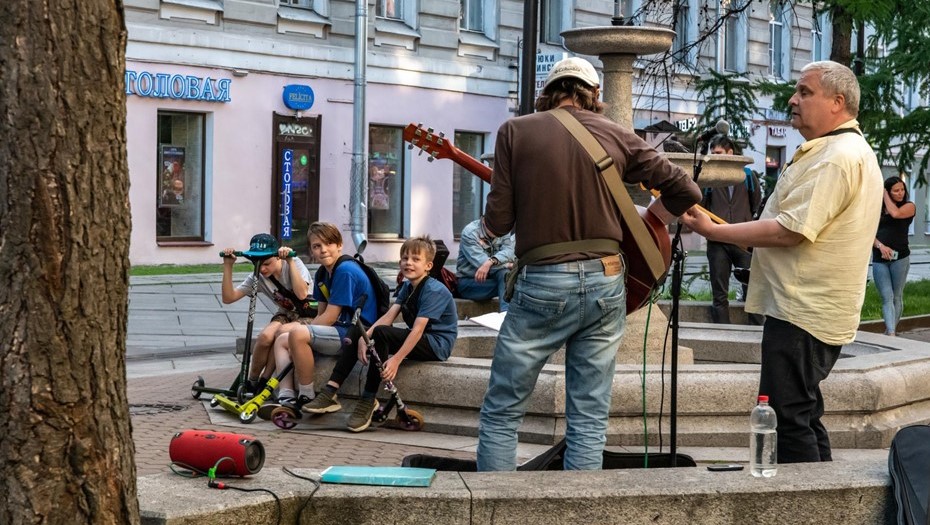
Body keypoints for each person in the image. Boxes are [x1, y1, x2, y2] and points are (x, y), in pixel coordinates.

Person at [476, 56, 702, 471]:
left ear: (549, 91)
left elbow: (499, 222)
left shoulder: (515, 131)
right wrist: (652, 218)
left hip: (543, 279)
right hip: (607, 279)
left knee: (504, 409)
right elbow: (686, 189)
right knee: (589, 416)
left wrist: (494, 227)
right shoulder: (618, 134)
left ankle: (498, 510)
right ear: (594, 95)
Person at [681, 60, 883, 464]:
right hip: (806, 309)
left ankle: (805, 506)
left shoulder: (836, 156)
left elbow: (789, 230)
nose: (792, 99)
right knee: (802, 413)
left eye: (805, 92)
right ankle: (828, 500)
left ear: (837, 102)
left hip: (802, 310)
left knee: (786, 417)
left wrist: (716, 232)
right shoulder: (837, 150)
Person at [303, 236, 458, 432]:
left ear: (428, 265)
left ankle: (368, 399)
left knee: (382, 334)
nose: (408, 263)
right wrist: (364, 336)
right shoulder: (408, 287)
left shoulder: (434, 290)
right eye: (404, 258)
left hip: (437, 345)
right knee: (358, 329)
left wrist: (396, 361)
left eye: (415, 259)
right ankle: (330, 391)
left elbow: (418, 330)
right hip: (419, 338)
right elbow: (389, 316)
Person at [276, 222, 377, 409]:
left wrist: (302, 331)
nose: (323, 250)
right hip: (338, 330)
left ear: (339, 245)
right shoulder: (323, 273)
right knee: (282, 338)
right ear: (311, 250)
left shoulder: (345, 270)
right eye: (316, 246)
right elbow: (320, 314)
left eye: (328, 243)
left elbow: (329, 317)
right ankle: (286, 394)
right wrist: (305, 331)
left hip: (355, 334)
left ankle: (306, 395)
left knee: (296, 334)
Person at [220, 233, 313, 398]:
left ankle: (265, 380)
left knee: (280, 332)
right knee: (264, 336)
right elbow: (228, 298)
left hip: (309, 313)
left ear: (277, 257)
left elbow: (301, 294)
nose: (262, 269)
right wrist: (228, 266)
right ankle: (252, 382)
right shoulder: (258, 275)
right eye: (257, 263)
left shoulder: (293, 263)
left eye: (267, 263)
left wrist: (290, 261)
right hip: (286, 313)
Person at [702, 135, 763, 325]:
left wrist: (743, 221)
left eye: (718, 153)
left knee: (752, 291)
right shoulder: (709, 179)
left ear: (730, 153)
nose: (714, 157)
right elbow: (703, 206)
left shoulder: (747, 176)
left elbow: (756, 204)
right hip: (717, 242)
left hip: (743, 240)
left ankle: (755, 334)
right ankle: (722, 334)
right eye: (712, 153)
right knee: (719, 294)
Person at [872, 176, 916, 336]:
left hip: (901, 258)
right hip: (879, 258)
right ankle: (891, 332)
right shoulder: (877, 209)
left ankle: (891, 331)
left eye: (902, 189)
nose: (901, 193)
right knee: (886, 296)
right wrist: (880, 246)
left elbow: (895, 213)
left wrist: (884, 194)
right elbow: (869, 232)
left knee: (897, 295)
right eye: (896, 190)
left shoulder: (909, 206)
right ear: (889, 192)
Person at [456, 217, 516, 311]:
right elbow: (481, 262)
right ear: (484, 221)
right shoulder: (470, 232)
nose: (498, 233)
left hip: (494, 279)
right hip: (469, 282)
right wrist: (507, 265)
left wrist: (490, 262)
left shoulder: (502, 229)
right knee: (511, 283)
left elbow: (509, 251)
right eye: (494, 228)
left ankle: (505, 314)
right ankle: (506, 314)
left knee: (505, 276)